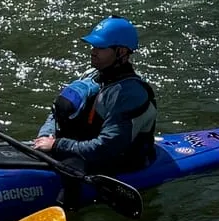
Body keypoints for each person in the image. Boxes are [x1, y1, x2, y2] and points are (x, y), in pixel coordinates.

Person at [31, 16, 159, 174]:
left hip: (120, 161)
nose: (93, 51)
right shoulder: (92, 74)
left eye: (100, 47)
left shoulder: (131, 94)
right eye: (93, 46)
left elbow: (107, 147)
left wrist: (57, 145)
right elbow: (57, 113)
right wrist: (46, 137)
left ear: (121, 51)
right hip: (79, 148)